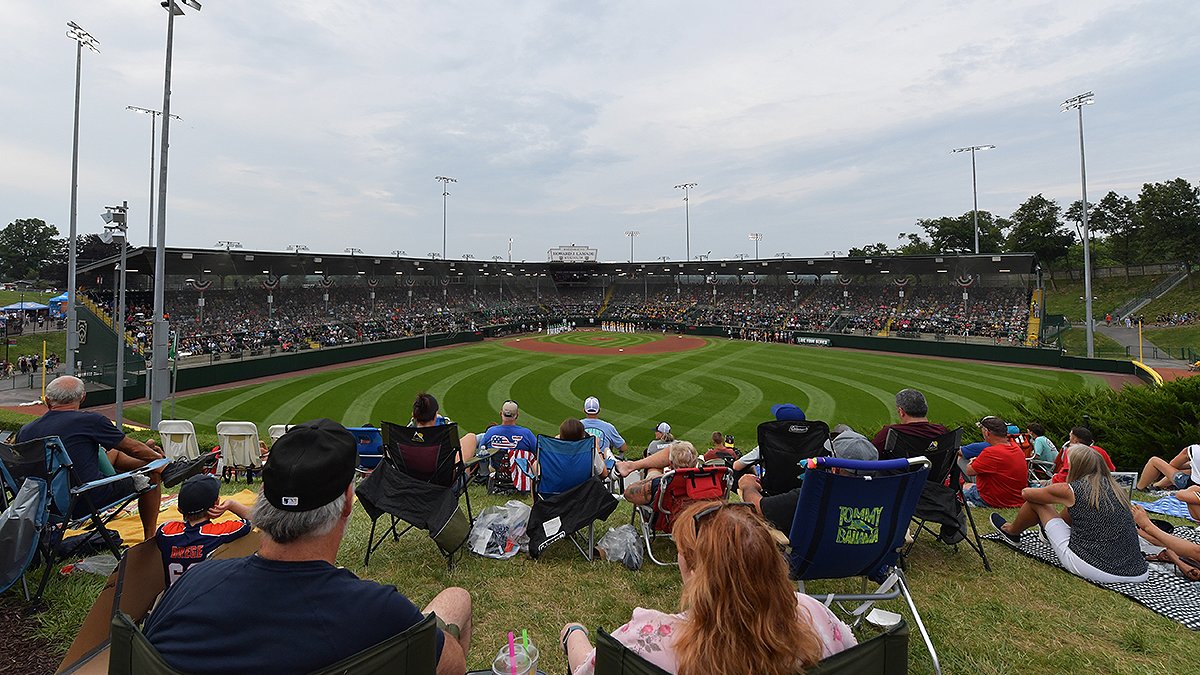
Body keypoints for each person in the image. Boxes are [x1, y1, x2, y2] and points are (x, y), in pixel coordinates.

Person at [144, 419, 473, 674]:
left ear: (263, 501)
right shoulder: (379, 612)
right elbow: (452, 666)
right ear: (347, 501)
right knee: (456, 599)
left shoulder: (192, 585)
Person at [561, 501, 856, 675]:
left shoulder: (645, 639)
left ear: (692, 570)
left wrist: (573, 634)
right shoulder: (815, 616)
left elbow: (588, 669)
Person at [17, 375, 165, 540]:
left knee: (115, 455)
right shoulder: (90, 421)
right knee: (150, 474)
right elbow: (133, 448)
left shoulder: (25, 431)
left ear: (46, 400)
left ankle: (153, 460)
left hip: (40, 506)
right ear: (83, 397)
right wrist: (163, 461)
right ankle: (150, 538)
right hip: (83, 500)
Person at [991, 445, 1149, 584]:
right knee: (1074, 507)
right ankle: (1048, 534)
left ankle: (1011, 532)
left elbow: (1027, 494)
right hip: (1138, 571)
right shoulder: (1115, 490)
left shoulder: (1071, 489)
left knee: (1038, 503)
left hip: (1097, 567)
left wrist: (1051, 488)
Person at [738, 430, 878, 533]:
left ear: (835, 467)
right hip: (863, 560)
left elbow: (759, 508)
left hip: (815, 563)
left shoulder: (814, 494)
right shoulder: (882, 496)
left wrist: (748, 486)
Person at [155, 474, 253, 588]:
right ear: (216, 503)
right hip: (206, 600)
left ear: (179, 510)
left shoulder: (165, 532)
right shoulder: (221, 532)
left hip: (174, 601)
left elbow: (166, 526)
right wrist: (231, 505)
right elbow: (256, 518)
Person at [960, 416, 1027, 508]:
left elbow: (969, 471)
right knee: (969, 486)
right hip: (1015, 498)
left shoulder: (991, 452)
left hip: (993, 499)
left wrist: (973, 460)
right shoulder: (1016, 448)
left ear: (987, 433)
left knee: (957, 492)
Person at [472, 400, 536, 490]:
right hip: (521, 474)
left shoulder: (491, 432)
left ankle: (483, 476)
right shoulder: (526, 434)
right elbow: (538, 453)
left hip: (498, 473)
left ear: (501, 413)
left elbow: (481, 454)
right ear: (517, 415)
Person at [871, 389, 948, 454]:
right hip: (935, 471)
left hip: (900, 471)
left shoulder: (890, 433)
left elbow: (870, 456)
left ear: (901, 412)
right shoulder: (941, 431)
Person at [623, 441, 700, 506]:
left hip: (666, 516)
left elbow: (628, 493)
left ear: (670, 463)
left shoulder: (661, 482)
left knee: (653, 470)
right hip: (692, 508)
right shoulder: (702, 478)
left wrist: (653, 477)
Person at [1050, 427, 1115, 483]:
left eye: (1070, 436)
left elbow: (1065, 475)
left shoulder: (1072, 452)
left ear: (1075, 440)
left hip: (1073, 487)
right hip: (1099, 485)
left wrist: (1053, 480)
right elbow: (1111, 470)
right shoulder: (1100, 451)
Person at [581, 396, 629, 461]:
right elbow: (623, 447)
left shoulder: (576, 426)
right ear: (599, 410)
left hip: (581, 462)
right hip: (603, 465)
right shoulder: (608, 427)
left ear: (584, 410)